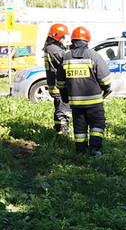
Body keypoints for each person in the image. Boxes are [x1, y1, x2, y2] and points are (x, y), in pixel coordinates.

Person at [56, 27, 112, 156]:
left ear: (73, 41)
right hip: (95, 102)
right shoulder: (93, 56)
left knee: (79, 126)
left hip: (76, 103)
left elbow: (60, 83)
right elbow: (105, 80)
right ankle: (95, 149)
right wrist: (105, 90)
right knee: (97, 124)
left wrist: (65, 97)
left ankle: (80, 150)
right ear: (87, 41)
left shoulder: (65, 57)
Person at [42, 23, 71, 134]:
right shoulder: (54, 49)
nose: (64, 39)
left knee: (60, 107)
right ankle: (62, 131)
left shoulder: (50, 48)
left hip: (54, 84)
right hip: (58, 86)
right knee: (62, 109)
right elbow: (66, 59)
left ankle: (59, 128)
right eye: (63, 37)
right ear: (57, 36)